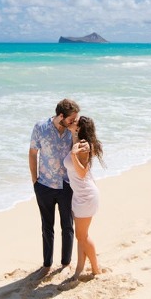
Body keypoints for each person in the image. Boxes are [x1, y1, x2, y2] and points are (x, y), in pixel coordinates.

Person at [29, 98, 80, 279]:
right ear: (61, 116)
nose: (74, 121)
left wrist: (74, 134)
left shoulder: (72, 131)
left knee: (67, 226)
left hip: (66, 185)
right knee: (47, 227)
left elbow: (77, 154)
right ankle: (46, 265)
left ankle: (66, 263)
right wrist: (35, 180)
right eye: (71, 119)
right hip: (44, 185)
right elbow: (33, 153)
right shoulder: (40, 127)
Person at [60, 115, 106, 289]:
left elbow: (81, 172)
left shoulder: (83, 146)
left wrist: (73, 154)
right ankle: (79, 270)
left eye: (74, 122)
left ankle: (96, 269)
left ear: (79, 128)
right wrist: (73, 135)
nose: (71, 122)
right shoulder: (78, 142)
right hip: (80, 195)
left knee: (83, 236)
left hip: (86, 195)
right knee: (81, 236)